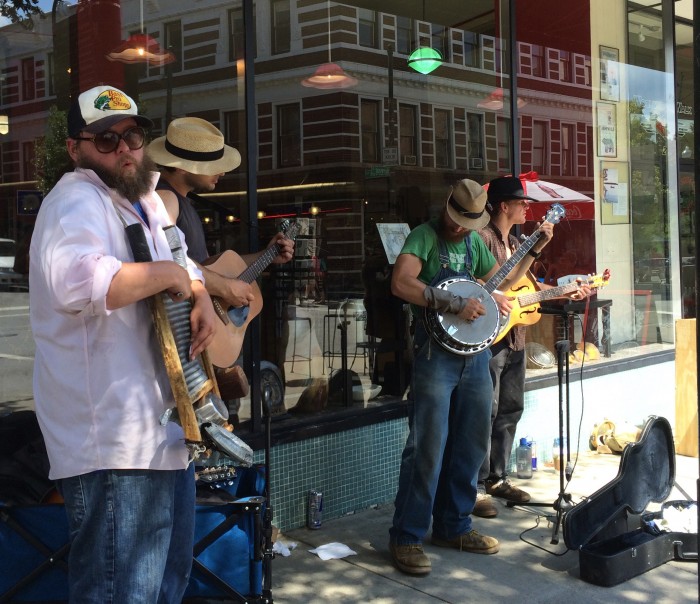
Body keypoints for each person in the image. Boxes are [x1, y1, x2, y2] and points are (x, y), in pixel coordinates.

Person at [29, 85, 218, 603]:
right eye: (106, 140)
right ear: (76, 149)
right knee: (121, 592)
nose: (125, 149)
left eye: (132, 135)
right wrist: (163, 273)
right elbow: (81, 281)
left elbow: (180, 260)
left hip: (163, 435)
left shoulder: (144, 199)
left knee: (164, 586)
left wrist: (198, 291)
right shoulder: (74, 200)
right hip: (113, 442)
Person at [388, 178, 554, 575]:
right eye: (457, 218)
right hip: (434, 356)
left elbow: (506, 282)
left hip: (475, 355)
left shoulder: (475, 243)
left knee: (471, 442)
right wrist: (452, 301)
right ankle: (407, 536)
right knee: (427, 446)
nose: (461, 227)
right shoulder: (423, 238)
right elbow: (400, 282)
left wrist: (531, 252)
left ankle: (454, 526)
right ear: (447, 208)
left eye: (469, 221)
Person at [147, 117, 294, 405]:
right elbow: (171, 262)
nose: (222, 172)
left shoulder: (183, 200)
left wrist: (267, 257)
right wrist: (225, 288)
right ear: (180, 166)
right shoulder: (166, 199)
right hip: (191, 340)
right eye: (212, 165)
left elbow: (204, 265)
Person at [474, 176, 591, 518]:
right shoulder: (483, 240)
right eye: (522, 203)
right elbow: (487, 285)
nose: (527, 208)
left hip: (516, 337)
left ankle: (498, 477)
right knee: (485, 411)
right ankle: (477, 485)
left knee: (510, 408)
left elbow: (524, 286)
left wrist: (560, 290)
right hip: (491, 337)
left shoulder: (515, 241)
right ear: (503, 206)